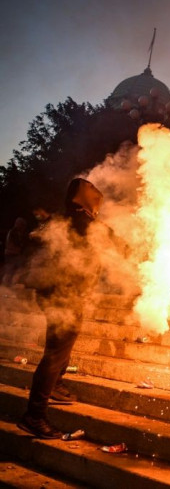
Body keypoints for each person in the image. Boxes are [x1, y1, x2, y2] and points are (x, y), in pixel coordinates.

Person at [17, 178, 103, 439]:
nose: (99, 196)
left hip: (56, 293)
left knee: (60, 347)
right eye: (94, 193)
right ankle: (34, 415)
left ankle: (56, 384)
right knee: (56, 352)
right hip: (63, 294)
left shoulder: (64, 218)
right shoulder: (81, 221)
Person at [2, 217, 29, 286]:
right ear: (18, 224)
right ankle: (7, 285)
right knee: (12, 270)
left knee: (12, 270)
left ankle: (9, 284)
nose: (23, 227)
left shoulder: (15, 232)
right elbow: (18, 243)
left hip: (12, 254)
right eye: (22, 225)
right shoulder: (14, 232)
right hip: (12, 254)